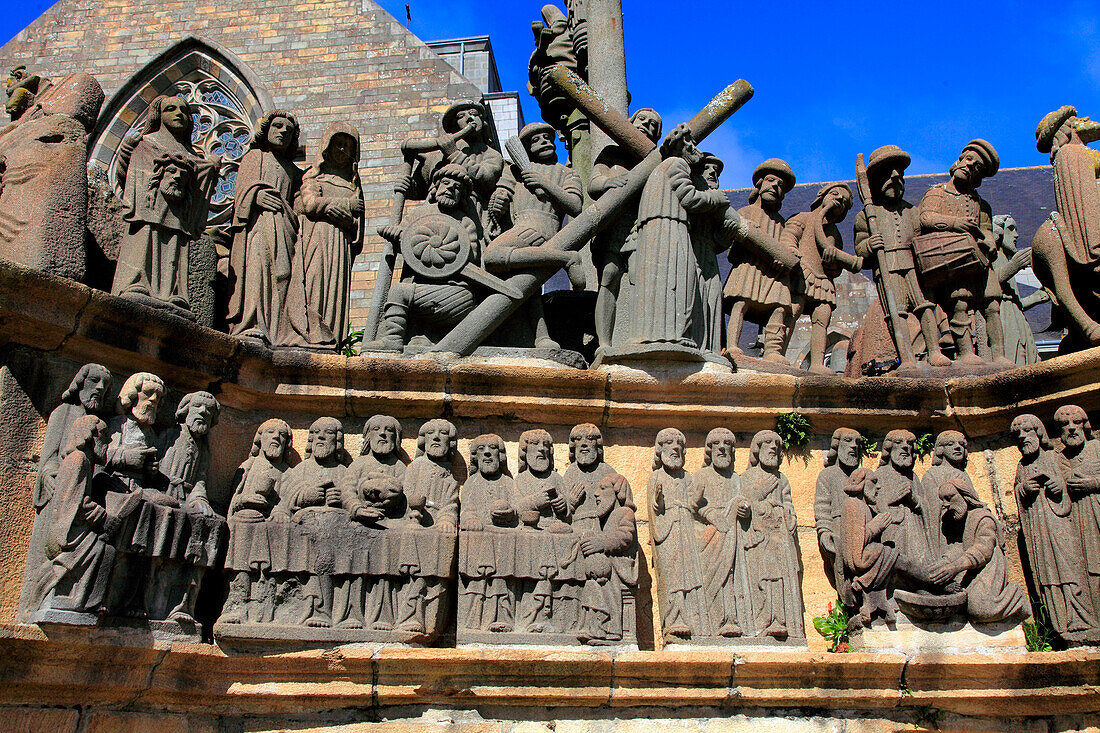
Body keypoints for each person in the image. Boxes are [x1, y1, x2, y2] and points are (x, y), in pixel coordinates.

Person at [623, 124, 730, 352]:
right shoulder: (677, 163)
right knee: (679, 280)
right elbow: (689, 198)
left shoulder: (661, 168)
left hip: (657, 229)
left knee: (659, 282)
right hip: (670, 226)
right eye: (691, 143)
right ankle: (673, 334)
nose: (694, 148)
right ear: (682, 147)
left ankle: (658, 333)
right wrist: (715, 197)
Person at [111, 94, 219, 315]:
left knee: (175, 249)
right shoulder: (145, 144)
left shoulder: (192, 156)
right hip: (147, 208)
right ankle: (136, 283)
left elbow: (200, 184)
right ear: (158, 115)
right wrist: (125, 152)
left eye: (184, 111)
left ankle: (173, 293)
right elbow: (126, 176)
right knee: (145, 239)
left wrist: (212, 169)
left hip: (177, 214)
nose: (179, 114)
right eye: (171, 109)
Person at [485, 121, 582, 349]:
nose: (544, 142)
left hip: (541, 225)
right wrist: (497, 203)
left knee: (492, 257)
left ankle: (565, 258)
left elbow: (575, 205)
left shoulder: (565, 173)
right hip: (518, 226)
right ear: (527, 148)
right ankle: (541, 337)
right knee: (529, 287)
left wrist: (544, 183)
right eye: (536, 140)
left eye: (547, 138)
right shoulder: (515, 172)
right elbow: (502, 193)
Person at [853, 145, 949, 368]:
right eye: (888, 173)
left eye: (899, 173)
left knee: (925, 305)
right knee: (896, 313)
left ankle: (934, 351)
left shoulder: (912, 211)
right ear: (876, 181)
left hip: (915, 266)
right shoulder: (866, 215)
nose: (896, 177)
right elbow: (860, 249)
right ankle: (905, 357)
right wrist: (869, 244)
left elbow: (922, 239)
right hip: (887, 267)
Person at [917, 139, 1006, 366]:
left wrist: (990, 241)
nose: (968, 166)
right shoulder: (937, 192)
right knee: (960, 304)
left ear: (978, 176)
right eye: (966, 159)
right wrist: (957, 223)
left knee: (992, 305)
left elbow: (987, 230)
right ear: (958, 161)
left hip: (980, 261)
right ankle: (966, 352)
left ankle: (999, 355)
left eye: (975, 166)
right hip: (953, 259)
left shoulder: (981, 205)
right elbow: (926, 219)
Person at [1012, 413, 1098, 638]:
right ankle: (1059, 624)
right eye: (1018, 435)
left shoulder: (1054, 457)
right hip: (1039, 530)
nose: (1023, 437)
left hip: (1062, 525)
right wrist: (1023, 490)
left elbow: (1069, 482)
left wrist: (1058, 486)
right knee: (1047, 575)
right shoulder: (1022, 467)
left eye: (1028, 431)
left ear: (1040, 433)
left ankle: (1081, 618)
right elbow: (1018, 493)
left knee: (1071, 569)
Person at [227, 110, 307, 346]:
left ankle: (278, 329)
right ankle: (252, 323)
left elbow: (299, 203)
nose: (283, 132)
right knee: (259, 269)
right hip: (259, 225)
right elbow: (242, 191)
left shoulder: (294, 171)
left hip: (285, 228)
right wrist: (256, 195)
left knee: (283, 274)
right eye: (278, 126)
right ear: (266, 130)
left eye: (289, 131)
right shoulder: (255, 158)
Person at [588, 108, 663, 348]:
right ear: (631, 122)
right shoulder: (612, 153)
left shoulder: (654, 162)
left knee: (640, 278)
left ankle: (638, 339)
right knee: (609, 276)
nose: (646, 125)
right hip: (614, 223)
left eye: (653, 125)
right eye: (642, 119)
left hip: (640, 225)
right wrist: (609, 182)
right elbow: (593, 184)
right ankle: (605, 343)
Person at [1030, 106, 1100, 349]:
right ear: (1068, 129)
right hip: (1088, 226)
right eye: (1078, 119)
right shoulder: (1075, 153)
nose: (1087, 120)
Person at [271, 417, 350, 628]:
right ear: (310, 440)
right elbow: (284, 502)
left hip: (336, 531)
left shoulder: (344, 472)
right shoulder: (300, 470)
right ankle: (313, 606)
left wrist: (339, 499)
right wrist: (307, 496)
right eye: (316, 433)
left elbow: (353, 500)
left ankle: (334, 609)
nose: (322, 437)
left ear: (338, 442)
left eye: (328, 433)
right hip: (305, 529)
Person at [34, 415, 116, 616]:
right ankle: (76, 600)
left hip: (71, 527)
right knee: (104, 550)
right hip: (67, 533)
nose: (109, 442)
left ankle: (77, 599)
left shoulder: (81, 460)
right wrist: (101, 515)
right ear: (89, 436)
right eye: (104, 435)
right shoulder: (79, 460)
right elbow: (75, 503)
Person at [724, 158, 800, 360]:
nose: (775, 186)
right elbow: (732, 252)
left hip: (773, 273)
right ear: (760, 185)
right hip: (749, 266)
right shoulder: (744, 213)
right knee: (740, 304)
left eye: (781, 185)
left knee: (780, 307)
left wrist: (780, 261)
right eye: (771, 181)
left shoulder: (782, 223)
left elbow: (785, 249)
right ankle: (732, 346)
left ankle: (773, 352)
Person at [296, 121, 364, 347]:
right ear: (327, 146)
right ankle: (311, 332)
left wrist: (349, 219)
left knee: (336, 289)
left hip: (341, 243)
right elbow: (308, 203)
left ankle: (332, 337)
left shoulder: (352, 184)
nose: (343, 150)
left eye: (348, 146)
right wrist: (342, 205)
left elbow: (358, 219)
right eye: (338, 144)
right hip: (317, 237)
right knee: (315, 281)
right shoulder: (314, 176)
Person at [220, 419, 292, 625]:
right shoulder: (248, 467)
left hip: (272, 527)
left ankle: (268, 602)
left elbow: (289, 502)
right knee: (243, 526)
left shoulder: (287, 472)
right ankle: (237, 600)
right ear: (260, 439)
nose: (276, 437)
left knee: (279, 532)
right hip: (246, 521)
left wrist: (280, 510)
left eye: (282, 435)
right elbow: (233, 501)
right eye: (271, 432)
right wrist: (244, 499)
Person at [784, 183, 862, 373]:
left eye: (844, 201)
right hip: (803, 273)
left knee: (822, 318)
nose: (838, 200)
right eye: (835, 194)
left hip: (823, 281)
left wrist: (832, 264)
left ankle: (818, 364)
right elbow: (788, 237)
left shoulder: (833, 233)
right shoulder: (803, 218)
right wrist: (792, 251)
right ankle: (779, 354)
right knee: (792, 311)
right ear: (822, 196)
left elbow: (836, 269)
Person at [931, 477, 1028, 623]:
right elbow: (958, 546)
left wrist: (954, 567)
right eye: (943, 500)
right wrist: (944, 563)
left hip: (988, 568)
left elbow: (983, 550)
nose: (946, 505)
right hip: (970, 569)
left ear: (965, 495)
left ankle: (1015, 596)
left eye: (950, 498)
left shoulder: (983, 518)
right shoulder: (957, 521)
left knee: (980, 609)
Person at [737, 430, 802, 639]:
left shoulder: (781, 480)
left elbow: (788, 503)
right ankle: (762, 620)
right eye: (767, 443)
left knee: (780, 580)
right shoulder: (745, 478)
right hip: (757, 539)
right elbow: (742, 505)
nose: (773, 447)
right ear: (756, 449)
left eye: (777, 444)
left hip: (780, 538)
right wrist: (756, 503)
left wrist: (787, 512)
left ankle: (780, 619)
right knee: (762, 580)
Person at [648, 427, 705, 639]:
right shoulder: (656, 477)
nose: (674, 449)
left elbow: (694, 505)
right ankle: (673, 619)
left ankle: (692, 618)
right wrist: (659, 500)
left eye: (678, 446)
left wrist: (696, 501)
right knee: (671, 575)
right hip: (668, 530)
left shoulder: (687, 478)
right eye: (669, 445)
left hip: (686, 531)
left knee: (689, 574)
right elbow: (654, 509)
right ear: (659, 450)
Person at [459, 433, 518, 632]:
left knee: (502, 579)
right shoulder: (471, 483)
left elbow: (517, 510)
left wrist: (510, 514)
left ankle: (503, 616)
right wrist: (470, 518)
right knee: (477, 581)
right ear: (474, 457)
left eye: (492, 448)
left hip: (503, 542)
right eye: (481, 450)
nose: (486, 453)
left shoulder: (509, 483)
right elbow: (466, 509)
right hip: (478, 542)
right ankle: (474, 619)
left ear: (500, 455)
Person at [692, 427, 747, 638]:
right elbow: (693, 506)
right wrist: (713, 515)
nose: (722, 448)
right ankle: (715, 619)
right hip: (710, 535)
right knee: (714, 576)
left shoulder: (736, 479)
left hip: (733, 535)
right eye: (717, 444)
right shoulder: (701, 476)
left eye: (727, 445)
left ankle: (732, 618)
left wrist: (743, 507)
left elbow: (744, 499)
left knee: (732, 575)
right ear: (709, 449)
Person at [1053, 405, 1100, 612]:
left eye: (1076, 422)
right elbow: (1066, 482)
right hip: (1082, 517)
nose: (1071, 428)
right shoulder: (1061, 458)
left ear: (1085, 425)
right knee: (1094, 567)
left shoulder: (1097, 448)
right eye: (1065, 424)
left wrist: (1094, 483)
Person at [815, 427, 862, 601]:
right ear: (837, 445)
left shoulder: (862, 475)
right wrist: (825, 531)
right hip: (838, 528)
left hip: (862, 529)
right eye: (848, 441)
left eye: (857, 442)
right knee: (844, 574)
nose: (853, 446)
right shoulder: (828, 475)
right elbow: (822, 506)